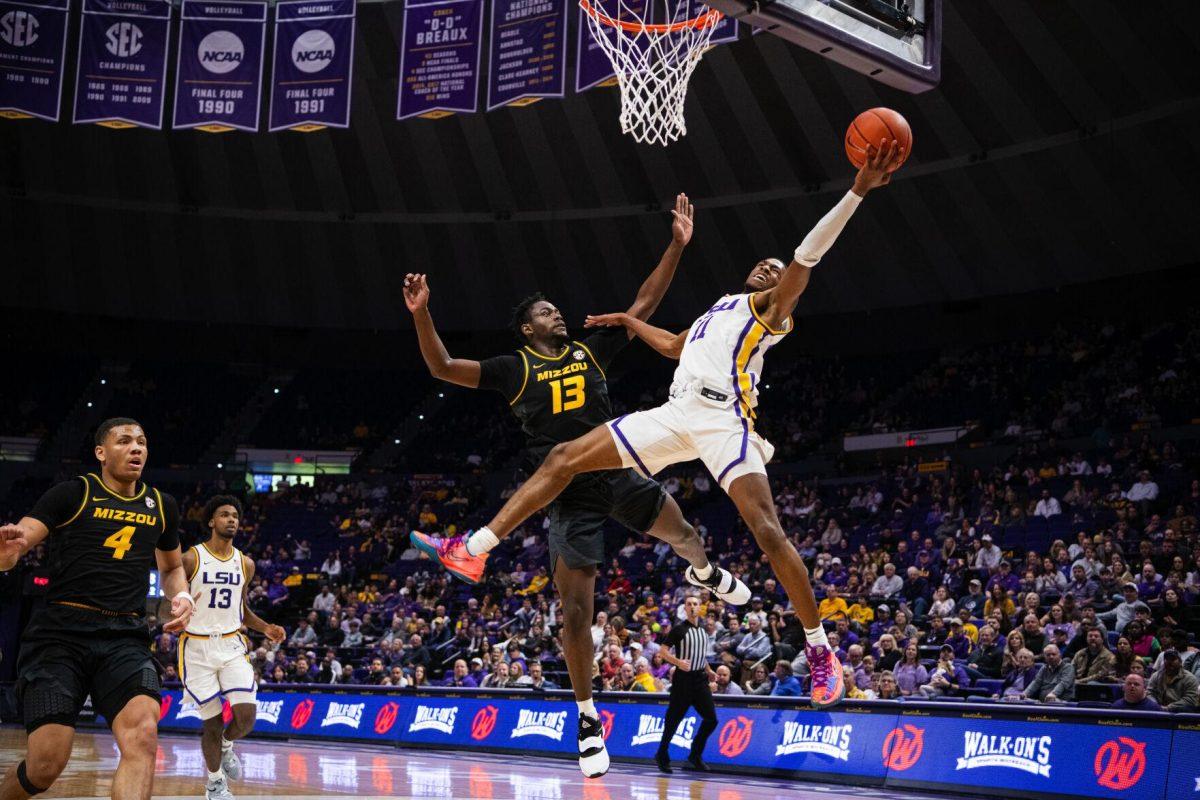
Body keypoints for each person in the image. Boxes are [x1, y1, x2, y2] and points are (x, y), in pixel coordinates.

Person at [427, 141, 905, 714]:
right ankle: (475, 548)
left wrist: (855, 192)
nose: (768, 268)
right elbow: (675, 345)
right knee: (560, 459)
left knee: (768, 532)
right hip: (676, 414)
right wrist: (629, 320)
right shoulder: (723, 306)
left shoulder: (770, 310)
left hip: (724, 421)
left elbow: (806, 256)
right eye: (763, 264)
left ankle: (821, 648)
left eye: (775, 271)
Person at [404, 197, 747, 780]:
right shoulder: (513, 367)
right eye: (545, 311)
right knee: (575, 612)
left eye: (557, 309)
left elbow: (643, 304)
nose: (556, 314)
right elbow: (441, 367)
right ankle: (587, 719)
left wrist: (677, 245)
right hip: (566, 493)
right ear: (525, 327)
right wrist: (421, 313)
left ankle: (705, 574)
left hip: (615, 468)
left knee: (687, 535)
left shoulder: (591, 348)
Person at [0, 418, 196, 800]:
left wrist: (183, 594)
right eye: (124, 441)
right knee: (45, 765)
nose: (136, 448)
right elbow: (21, 540)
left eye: (142, 441)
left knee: (143, 735)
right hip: (59, 638)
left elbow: (171, 566)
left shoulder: (161, 505)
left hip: (124, 637)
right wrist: (8, 553)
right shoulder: (72, 494)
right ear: (101, 453)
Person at [181, 496, 286, 800]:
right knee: (211, 722)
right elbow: (169, 603)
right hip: (197, 647)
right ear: (211, 521)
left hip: (231, 644)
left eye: (235, 516)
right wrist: (171, 616)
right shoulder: (191, 558)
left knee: (246, 717)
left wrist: (265, 627)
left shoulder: (246, 564)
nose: (232, 520)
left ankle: (228, 744)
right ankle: (215, 783)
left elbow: (241, 609)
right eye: (224, 515)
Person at [656, 596, 717, 774]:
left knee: (712, 719)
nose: (692, 606)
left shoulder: (704, 630)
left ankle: (695, 754)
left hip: (700, 680)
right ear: (685, 607)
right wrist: (678, 662)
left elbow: (700, 654)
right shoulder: (678, 629)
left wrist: (709, 669)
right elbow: (663, 651)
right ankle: (662, 754)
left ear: (700, 608)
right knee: (673, 720)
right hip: (683, 680)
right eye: (689, 604)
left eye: (695, 604)